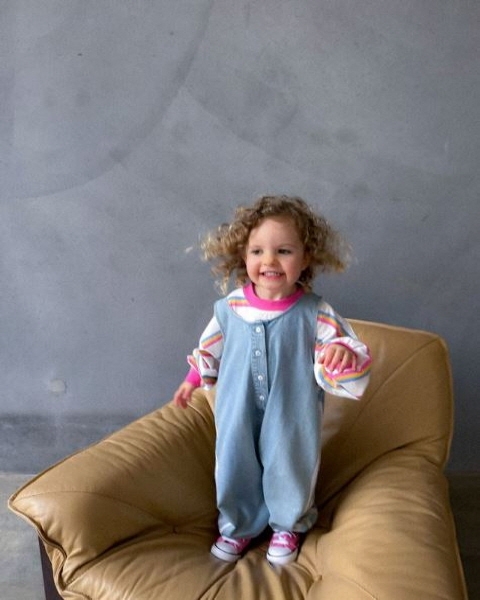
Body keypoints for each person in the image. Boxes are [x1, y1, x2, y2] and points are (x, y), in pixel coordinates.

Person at [173, 194, 372, 566]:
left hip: (291, 409)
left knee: (289, 461)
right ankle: (238, 527)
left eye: (283, 251)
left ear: (306, 258)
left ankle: (287, 525)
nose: (269, 261)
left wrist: (341, 355)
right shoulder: (229, 308)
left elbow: (346, 347)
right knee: (234, 460)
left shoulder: (316, 312)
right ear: (243, 256)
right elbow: (209, 347)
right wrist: (191, 379)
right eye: (257, 251)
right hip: (237, 406)